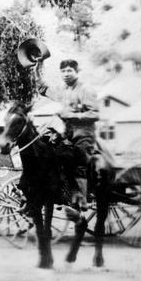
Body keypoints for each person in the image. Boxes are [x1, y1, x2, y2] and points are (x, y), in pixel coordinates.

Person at [39, 59, 99, 209]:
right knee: (49, 151)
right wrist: (38, 67)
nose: (66, 74)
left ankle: (82, 199)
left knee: (78, 161)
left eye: (69, 71)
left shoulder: (86, 90)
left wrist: (72, 115)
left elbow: (95, 114)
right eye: (63, 71)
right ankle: (58, 192)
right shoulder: (63, 89)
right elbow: (43, 88)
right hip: (67, 132)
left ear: (77, 72)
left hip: (84, 133)